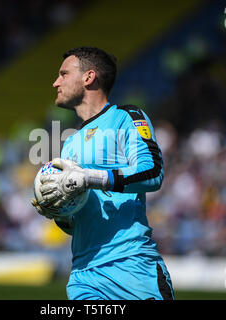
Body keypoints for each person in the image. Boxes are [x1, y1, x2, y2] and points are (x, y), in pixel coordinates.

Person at [31, 46, 174, 300]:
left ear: (89, 77)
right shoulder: (70, 143)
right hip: (83, 277)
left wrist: (90, 178)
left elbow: (153, 172)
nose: (55, 82)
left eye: (63, 74)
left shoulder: (126, 117)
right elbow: (79, 223)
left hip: (131, 268)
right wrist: (58, 210)